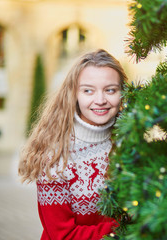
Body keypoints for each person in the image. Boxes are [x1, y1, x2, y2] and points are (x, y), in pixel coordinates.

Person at [18, 49, 128, 240]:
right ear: (74, 94)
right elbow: (63, 235)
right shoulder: (55, 157)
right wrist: (124, 229)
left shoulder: (129, 142)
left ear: (123, 92)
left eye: (110, 90)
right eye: (88, 90)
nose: (100, 100)